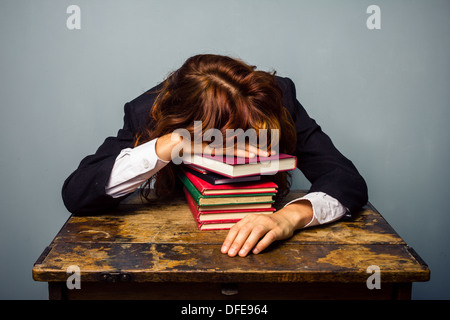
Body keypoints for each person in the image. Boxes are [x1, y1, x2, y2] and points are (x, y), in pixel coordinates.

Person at [62, 54, 368, 257]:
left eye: (250, 133)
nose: (240, 149)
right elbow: (77, 193)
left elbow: (346, 180)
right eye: (225, 139)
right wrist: (166, 145)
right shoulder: (147, 112)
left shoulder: (277, 98)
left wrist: (288, 218)